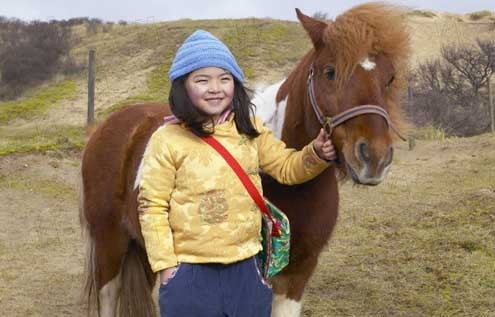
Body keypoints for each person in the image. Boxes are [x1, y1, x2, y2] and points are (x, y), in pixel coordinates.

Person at [137, 29, 336, 317]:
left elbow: (286, 167)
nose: (215, 88)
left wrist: (315, 154)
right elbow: (152, 205)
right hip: (190, 271)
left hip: (247, 269)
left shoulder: (249, 129)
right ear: (183, 87)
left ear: (235, 84)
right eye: (202, 80)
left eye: (224, 78)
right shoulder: (166, 140)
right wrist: (167, 268)